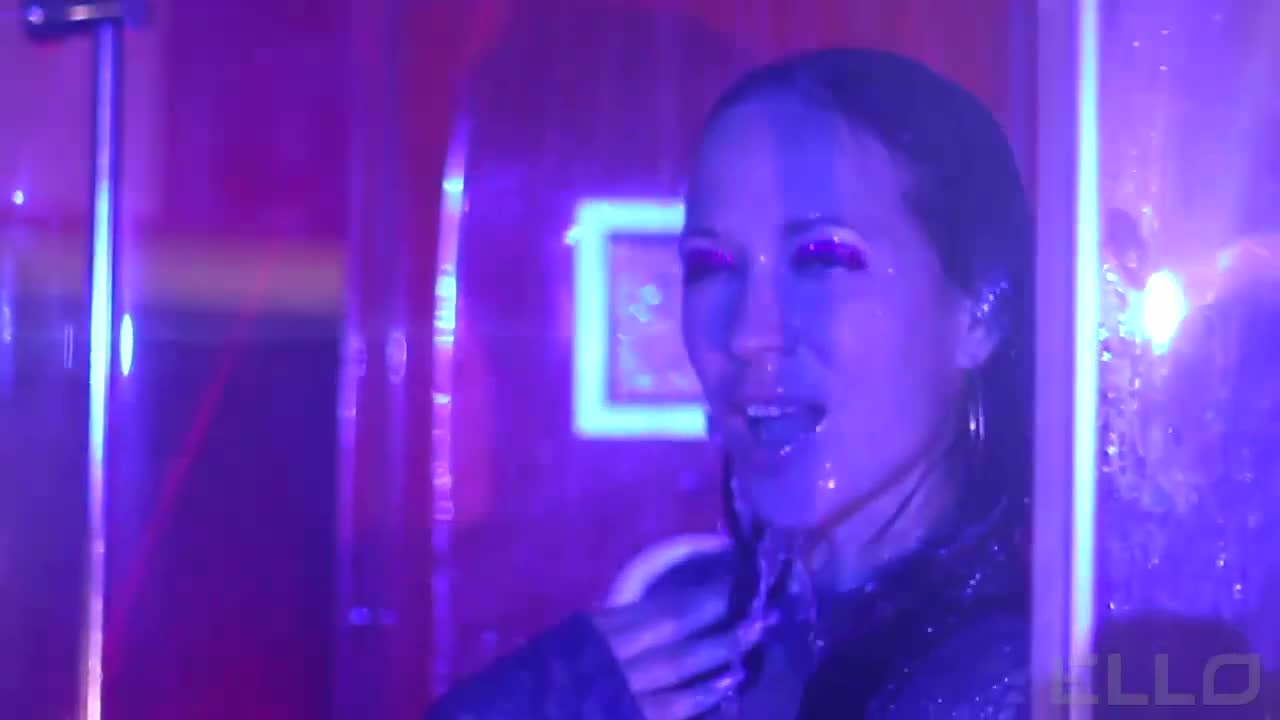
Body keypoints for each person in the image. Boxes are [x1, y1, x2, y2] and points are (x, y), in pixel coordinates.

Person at [427, 47, 1034, 719]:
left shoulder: (1041, 680)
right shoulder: (687, 647)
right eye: (711, 265)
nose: (748, 333)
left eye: (823, 257)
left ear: (982, 311)